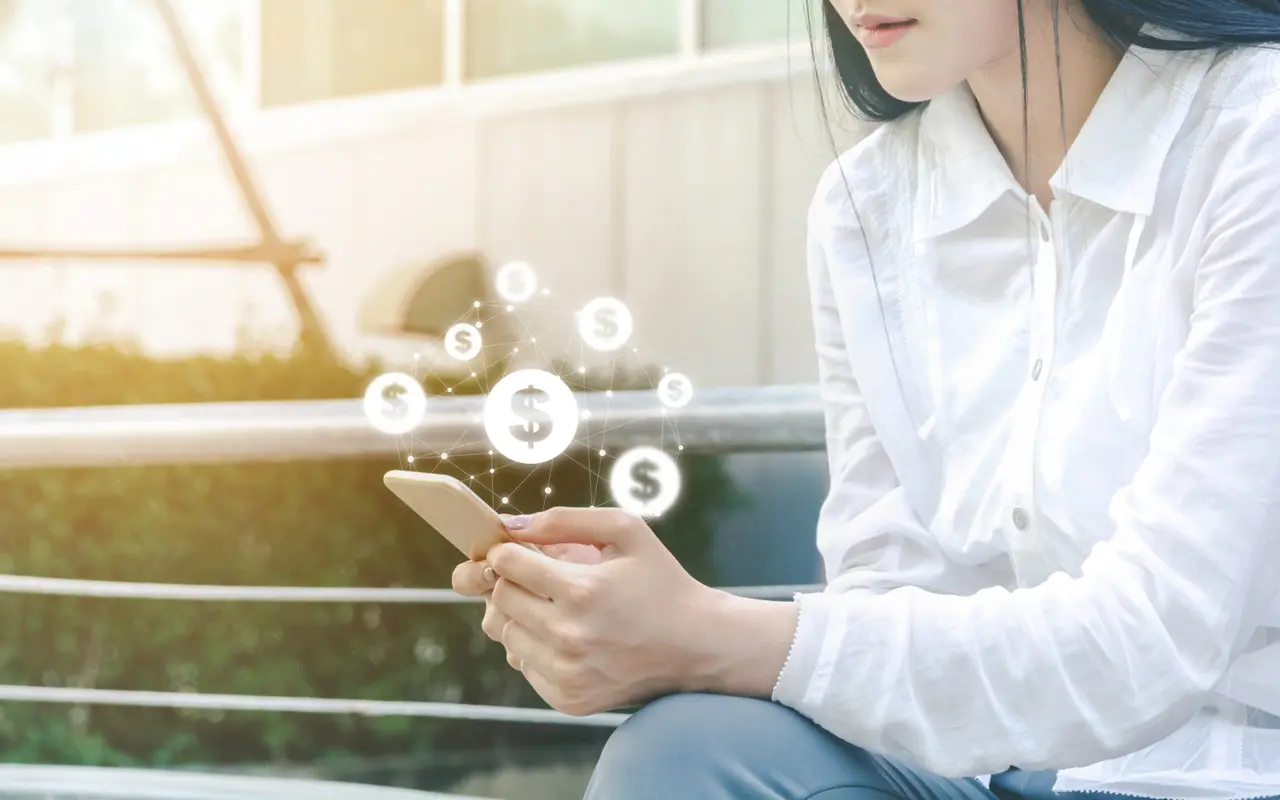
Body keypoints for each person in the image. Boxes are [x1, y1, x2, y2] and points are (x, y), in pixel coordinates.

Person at [451, 0, 1280, 797]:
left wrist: (708, 637)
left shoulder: (1253, 133)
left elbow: (1157, 640)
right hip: (997, 773)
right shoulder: (866, 208)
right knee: (684, 753)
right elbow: (891, 594)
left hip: (1231, 773)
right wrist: (636, 634)